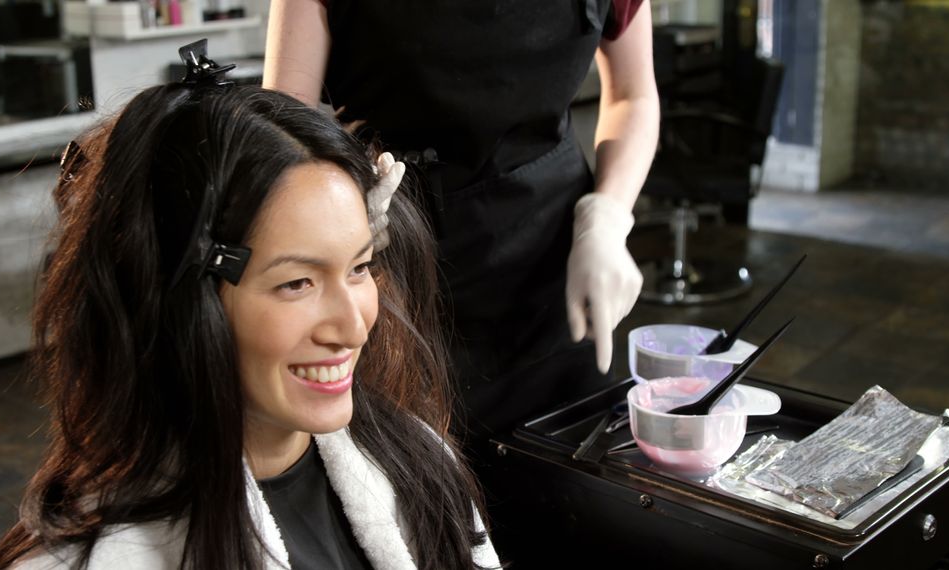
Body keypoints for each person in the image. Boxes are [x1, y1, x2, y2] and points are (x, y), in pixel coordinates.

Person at [0, 42, 499, 570]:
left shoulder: (417, 461)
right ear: (175, 297)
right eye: (297, 282)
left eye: (359, 266)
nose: (353, 326)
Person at [262, 1, 660, 444]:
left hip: (555, 272)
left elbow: (633, 95)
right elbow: (282, 132)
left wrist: (606, 215)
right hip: (393, 268)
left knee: (566, 485)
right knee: (409, 485)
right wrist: (345, 210)